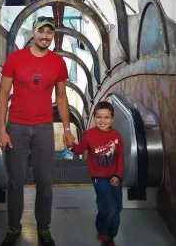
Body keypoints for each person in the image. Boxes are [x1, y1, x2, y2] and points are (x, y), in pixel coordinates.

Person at [0, 16, 74, 246]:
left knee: (45, 182)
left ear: (53, 35)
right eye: (41, 31)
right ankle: (13, 227)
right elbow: (3, 94)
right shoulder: (15, 59)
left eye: (49, 33)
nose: (45, 37)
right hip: (17, 127)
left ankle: (43, 228)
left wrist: (68, 128)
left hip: (43, 129)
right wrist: (2, 128)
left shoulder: (58, 62)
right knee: (15, 182)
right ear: (33, 32)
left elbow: (61, 97)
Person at [65, 101, 124, 246]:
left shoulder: (116, 136)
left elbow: (120, 157)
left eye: (106, 117)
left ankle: (111, 235)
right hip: (99, 178)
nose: (102, 121)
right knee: (110, 207)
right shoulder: (89, 135)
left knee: (117, 207)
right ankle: (103, 231)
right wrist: (71, 145)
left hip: (115, 177)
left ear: (112, 119)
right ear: (94, 118)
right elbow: (79, 150)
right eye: (99, 117)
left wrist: (118, 175)